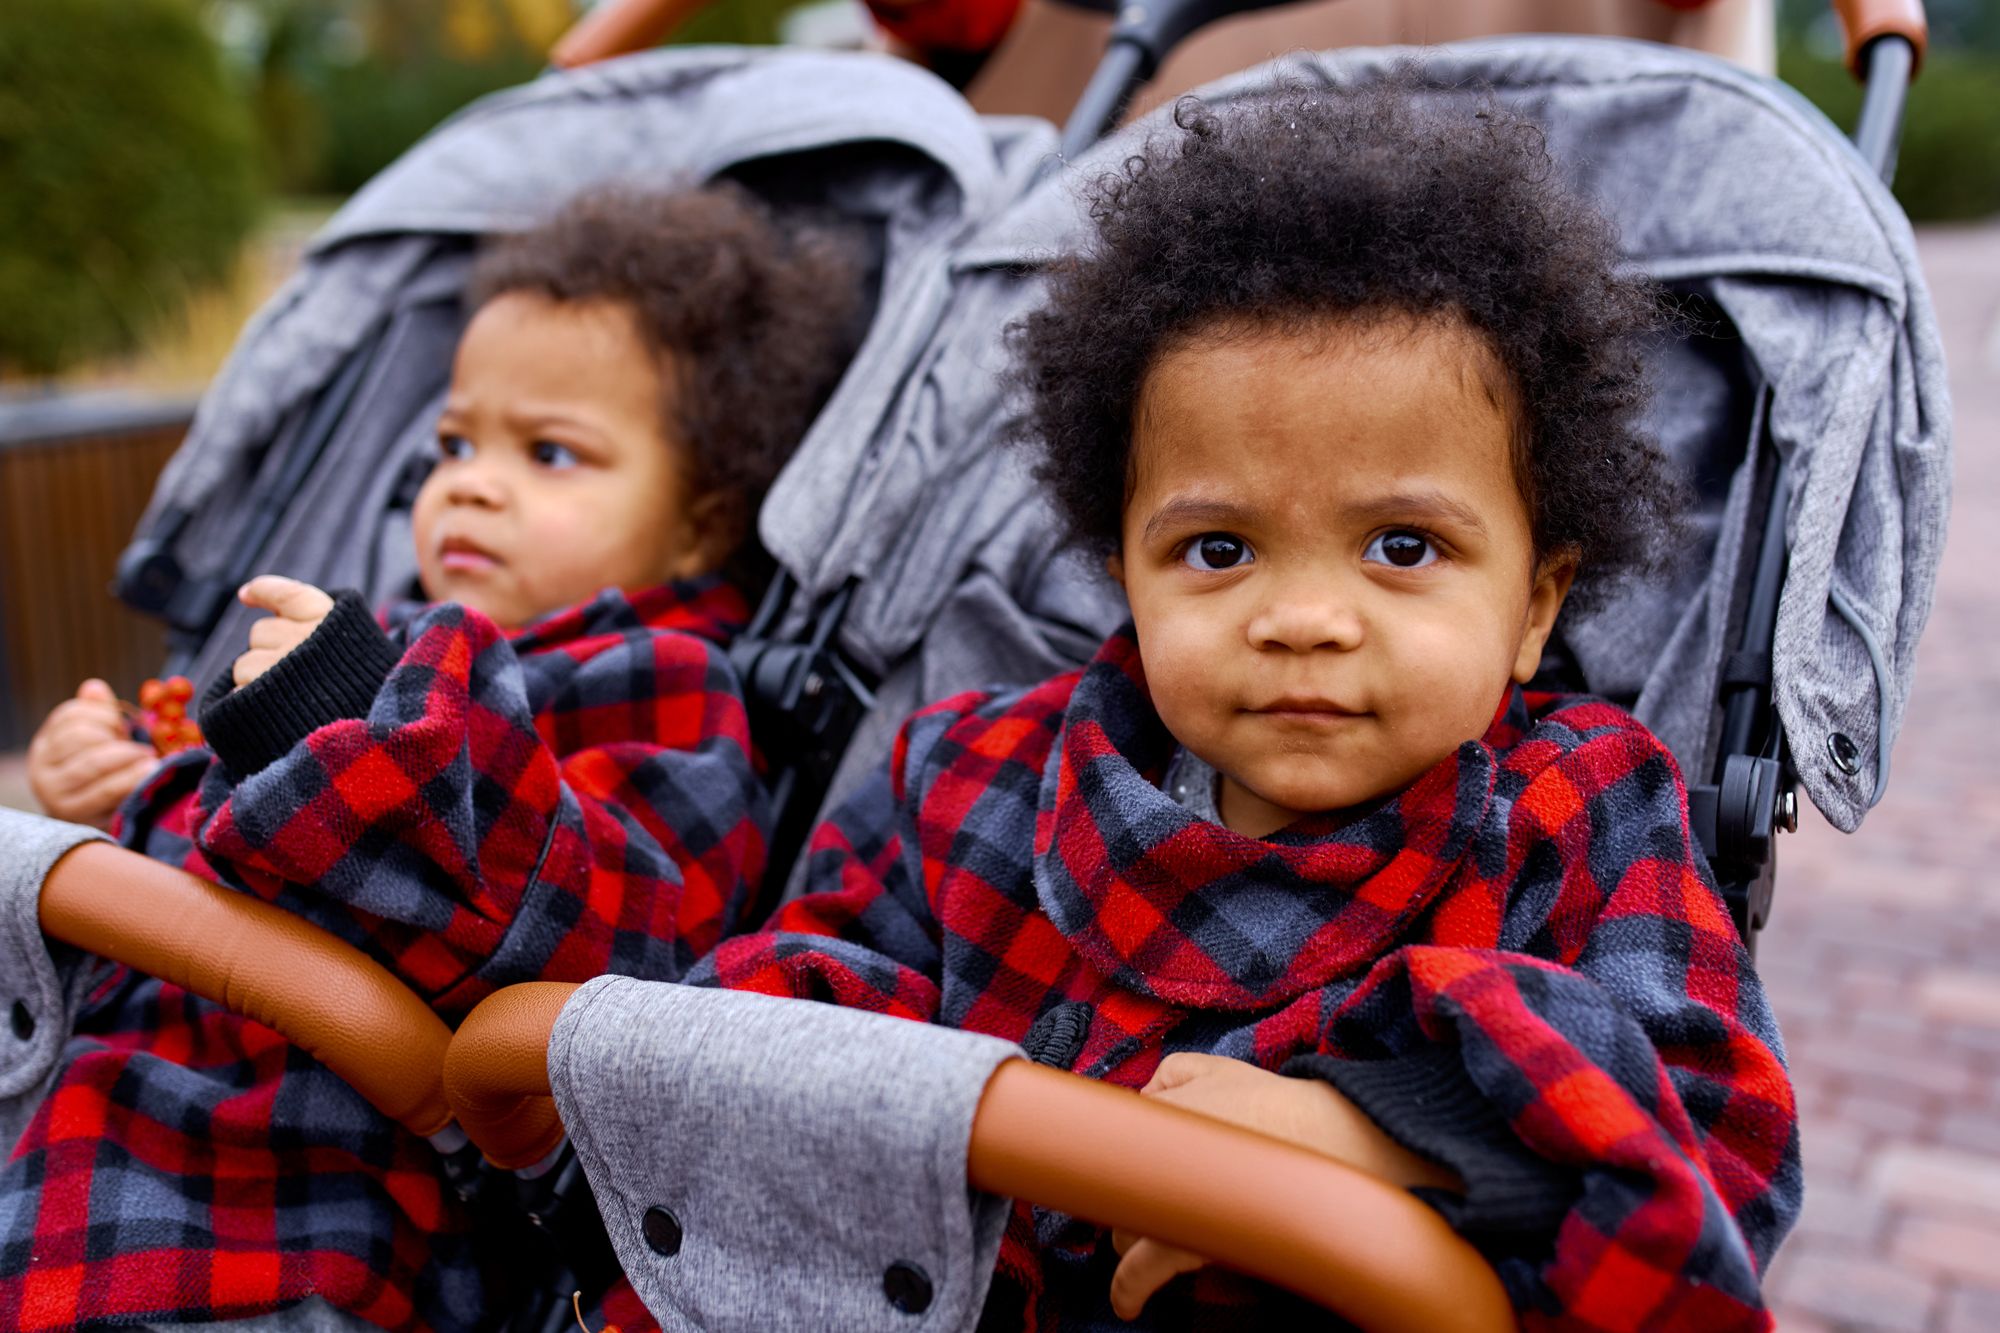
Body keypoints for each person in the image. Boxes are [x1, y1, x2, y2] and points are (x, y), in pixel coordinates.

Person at [585, 87, 1799, 1331]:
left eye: (1400, 543)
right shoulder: (973, 776)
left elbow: (1723, 1145)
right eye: (1218, 551)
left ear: (1535, 604)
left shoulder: (1577, 808)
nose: (1304, 618)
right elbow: (781, 1004)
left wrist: (1397, 1135)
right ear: (1123, 573)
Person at [3, 184, 866, 1331]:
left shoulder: (659, 679)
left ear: (703, 519)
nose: (466, 479)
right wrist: (123, 785)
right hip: (93, 1131)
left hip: (309, 1202)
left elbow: (614, 941)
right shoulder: (379, 636)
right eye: (453, 441)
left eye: (549, 452)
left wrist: (353, 722)